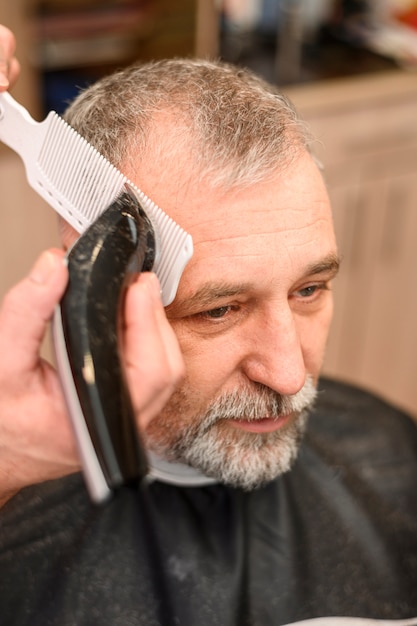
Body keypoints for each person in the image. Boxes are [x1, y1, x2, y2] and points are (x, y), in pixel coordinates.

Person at [0, 24, 417, 626]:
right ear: (95, 290)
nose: (288, 372)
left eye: (309, 290)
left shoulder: (391, 454)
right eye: (219, 310)